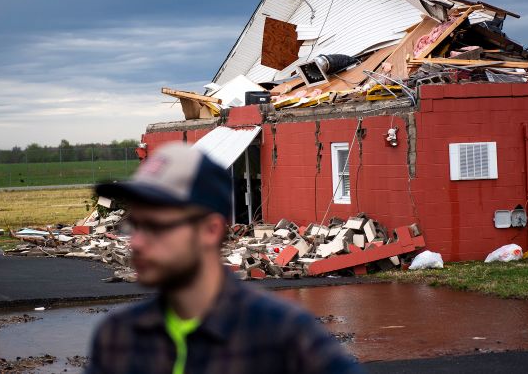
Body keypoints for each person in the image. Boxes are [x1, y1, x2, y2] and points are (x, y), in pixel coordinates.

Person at [88, 142, 361, 374]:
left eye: (156, 226)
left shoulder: (284, 339)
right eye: (135, 225)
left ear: (210, 230)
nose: (136, 242)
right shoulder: (118, 339)